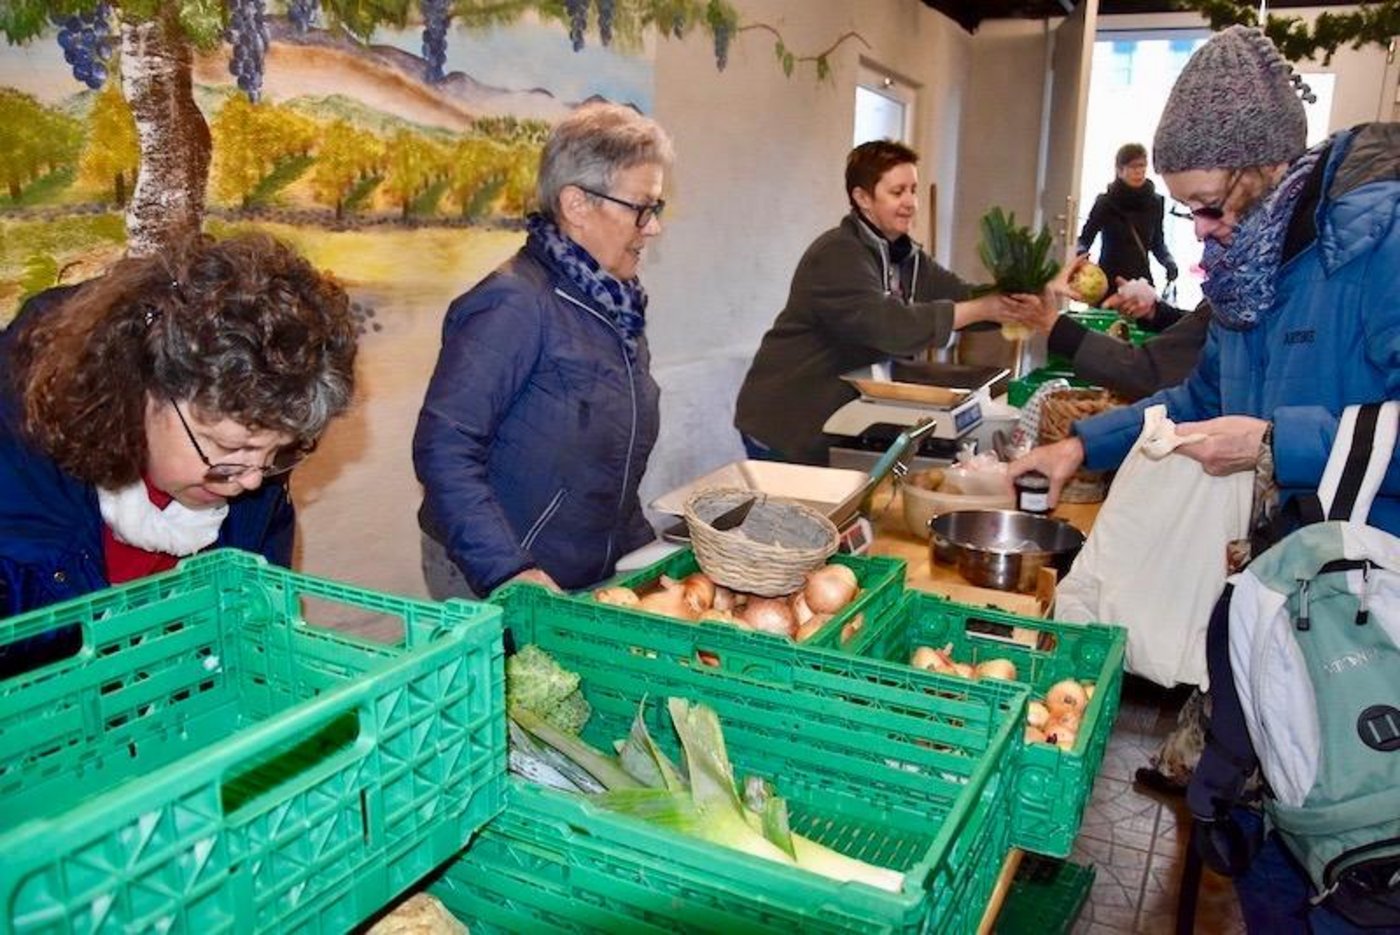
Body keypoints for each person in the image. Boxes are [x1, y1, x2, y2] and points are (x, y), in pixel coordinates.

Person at [1010, 26, 1400, 929]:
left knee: (1354, 880)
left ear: (1270, 164)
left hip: (1370, 630)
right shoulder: (1249, 279)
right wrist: (1079, 447)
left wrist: (1275, 441)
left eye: (1211, 206)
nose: (1205, 234)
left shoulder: (1378, 251)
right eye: (1189, 212)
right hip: (1280, 612)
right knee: (1264, 858)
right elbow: (1197, 398)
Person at [0, 233, 359, 669]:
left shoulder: (254, 472)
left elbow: (254, 627)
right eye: (229, 446)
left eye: (277, 452)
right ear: (143, 388)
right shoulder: (19, 470)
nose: (251, 481)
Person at [414, 103, 671, 599]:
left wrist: (644, 558)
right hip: (503, 573)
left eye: (655, 208)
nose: (653, 227)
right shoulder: (512, 303)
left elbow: (611, 466)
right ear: (576, 205)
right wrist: (508, 572)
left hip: (585, 572)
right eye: (641, 208)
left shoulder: (615, 306)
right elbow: (444, 448)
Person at [733, 139, 1048, 466]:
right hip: (789, 417)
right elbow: (889, 326)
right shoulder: (838, 254)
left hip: (837, 416)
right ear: (862, 198)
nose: (910, 202)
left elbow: (964, 297)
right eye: (897, 192)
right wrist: (982, 308)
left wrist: (1034, 291)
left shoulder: (906, 257)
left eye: (913, 190)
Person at [1076, 142, 1179, 299]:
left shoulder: (1155, 202)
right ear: (1119, 170)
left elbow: (1157, 243)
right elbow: (1085, 239)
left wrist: (1168, 262)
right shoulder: (1106, 202)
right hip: (1109, 281)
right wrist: (1082, 256)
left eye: (1142, 166)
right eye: (1132, 167)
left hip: (1141, 281)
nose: (1138, 172)